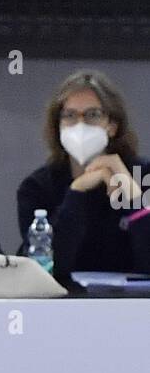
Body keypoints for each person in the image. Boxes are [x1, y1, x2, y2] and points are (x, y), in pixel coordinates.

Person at [16, 70, 150, 285]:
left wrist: (134, 196)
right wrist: (76, 191)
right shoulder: (37, 187)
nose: (80, 125)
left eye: (92, 115)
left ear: (112, 126)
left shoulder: (144, 174)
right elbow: (46, 268)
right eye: (70, 116)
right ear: (58, 125)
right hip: (65, 307)